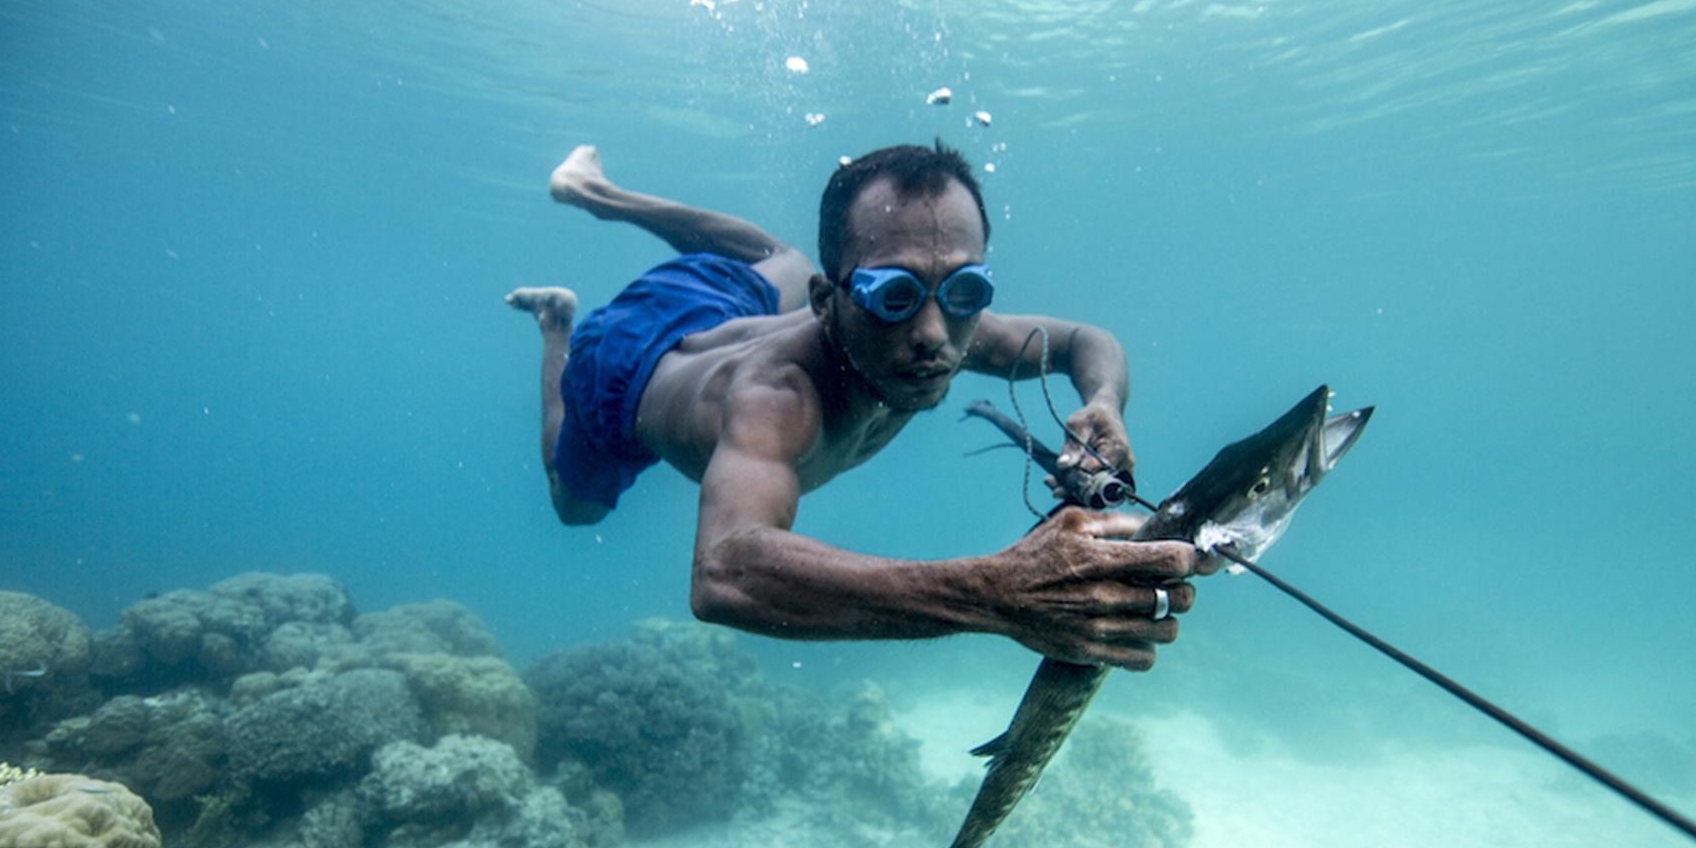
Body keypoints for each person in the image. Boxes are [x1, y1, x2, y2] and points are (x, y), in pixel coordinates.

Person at [507, 142, 1201, 671]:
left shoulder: (945, 326)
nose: (932, 334)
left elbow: (1086, 341)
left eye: (963, 291)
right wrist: (998, 591)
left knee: (772, 257)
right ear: (828, 302)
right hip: (620, 367)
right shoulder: (779, 399)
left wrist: (1104, 402)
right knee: (574, 504)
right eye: (892, 294)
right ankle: (554, 323)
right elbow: (724, 573)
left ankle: (598, 193)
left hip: (716, 297)